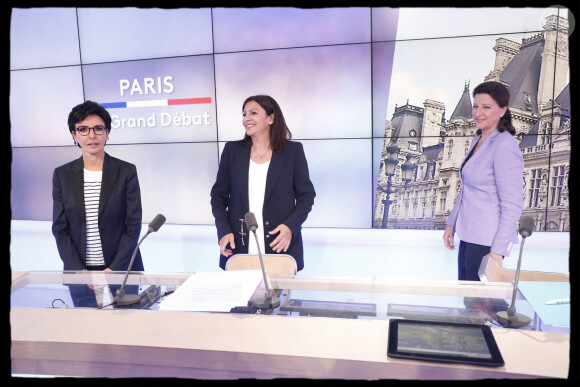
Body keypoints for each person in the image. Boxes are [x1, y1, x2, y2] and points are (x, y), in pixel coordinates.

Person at [210, 95, 315, 272]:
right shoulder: (232, 151)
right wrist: (223, 230)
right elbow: (218, 196)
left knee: (277, 299)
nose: (246, 119)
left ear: (271, 118)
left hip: (279, 245)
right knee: (240, 299)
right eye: (244, 114)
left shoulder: (293, 152)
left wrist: (291, 226)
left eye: (253, 113)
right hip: (238, 245)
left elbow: (306, 196)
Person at [443, 81, 523, 281]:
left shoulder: (505, 145)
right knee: (470, 300)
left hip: (488, 241)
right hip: (469, 236)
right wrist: (450, 224)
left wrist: (497, 252)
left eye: (486, 107)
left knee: (481, 306)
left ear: (502, 110)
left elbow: (512, 205)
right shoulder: (477, 139)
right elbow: (467, 188)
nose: (478, 112)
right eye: (476, 106)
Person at [52, 100, 144, 274]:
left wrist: (113, 270)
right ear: (74, 135)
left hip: (122, 271)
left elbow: (133, 225)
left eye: (98, 129)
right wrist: (78, 270)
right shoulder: (62, 175)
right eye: (83, 129)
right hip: (80, 273)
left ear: (107, 133)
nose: (92, 136)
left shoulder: (126, 171)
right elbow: (60, 229)